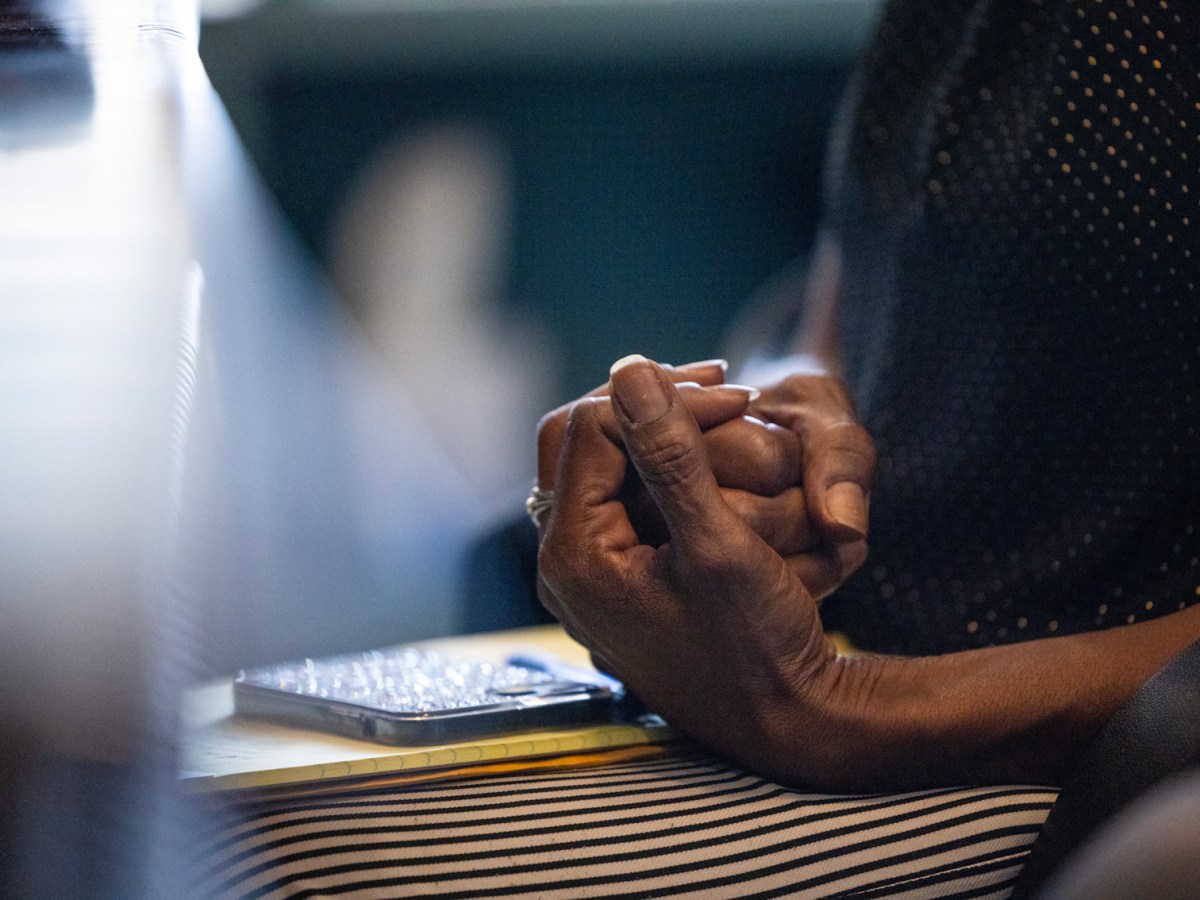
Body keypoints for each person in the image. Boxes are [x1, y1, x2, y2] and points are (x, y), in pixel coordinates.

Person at [194, 1, 1198, 895]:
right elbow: (870, 268)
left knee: (251, 862)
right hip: (855, 645)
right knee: (477, 568)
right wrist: (764, 439)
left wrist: (850, 713)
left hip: (1070, 742)